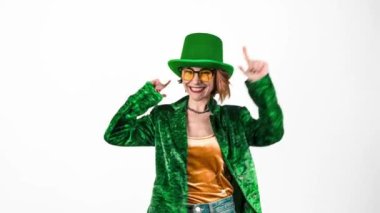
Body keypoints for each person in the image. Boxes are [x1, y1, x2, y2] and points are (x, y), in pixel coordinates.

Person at [104, 32, 284, 213]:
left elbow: (272, 132)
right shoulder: (163, 119)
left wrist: (261, 85)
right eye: (189, 72)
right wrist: (144, 97)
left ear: (217, 78)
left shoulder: (234, 119)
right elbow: (115, 134)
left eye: (205, 74)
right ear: (182, 75)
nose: (195, 80)